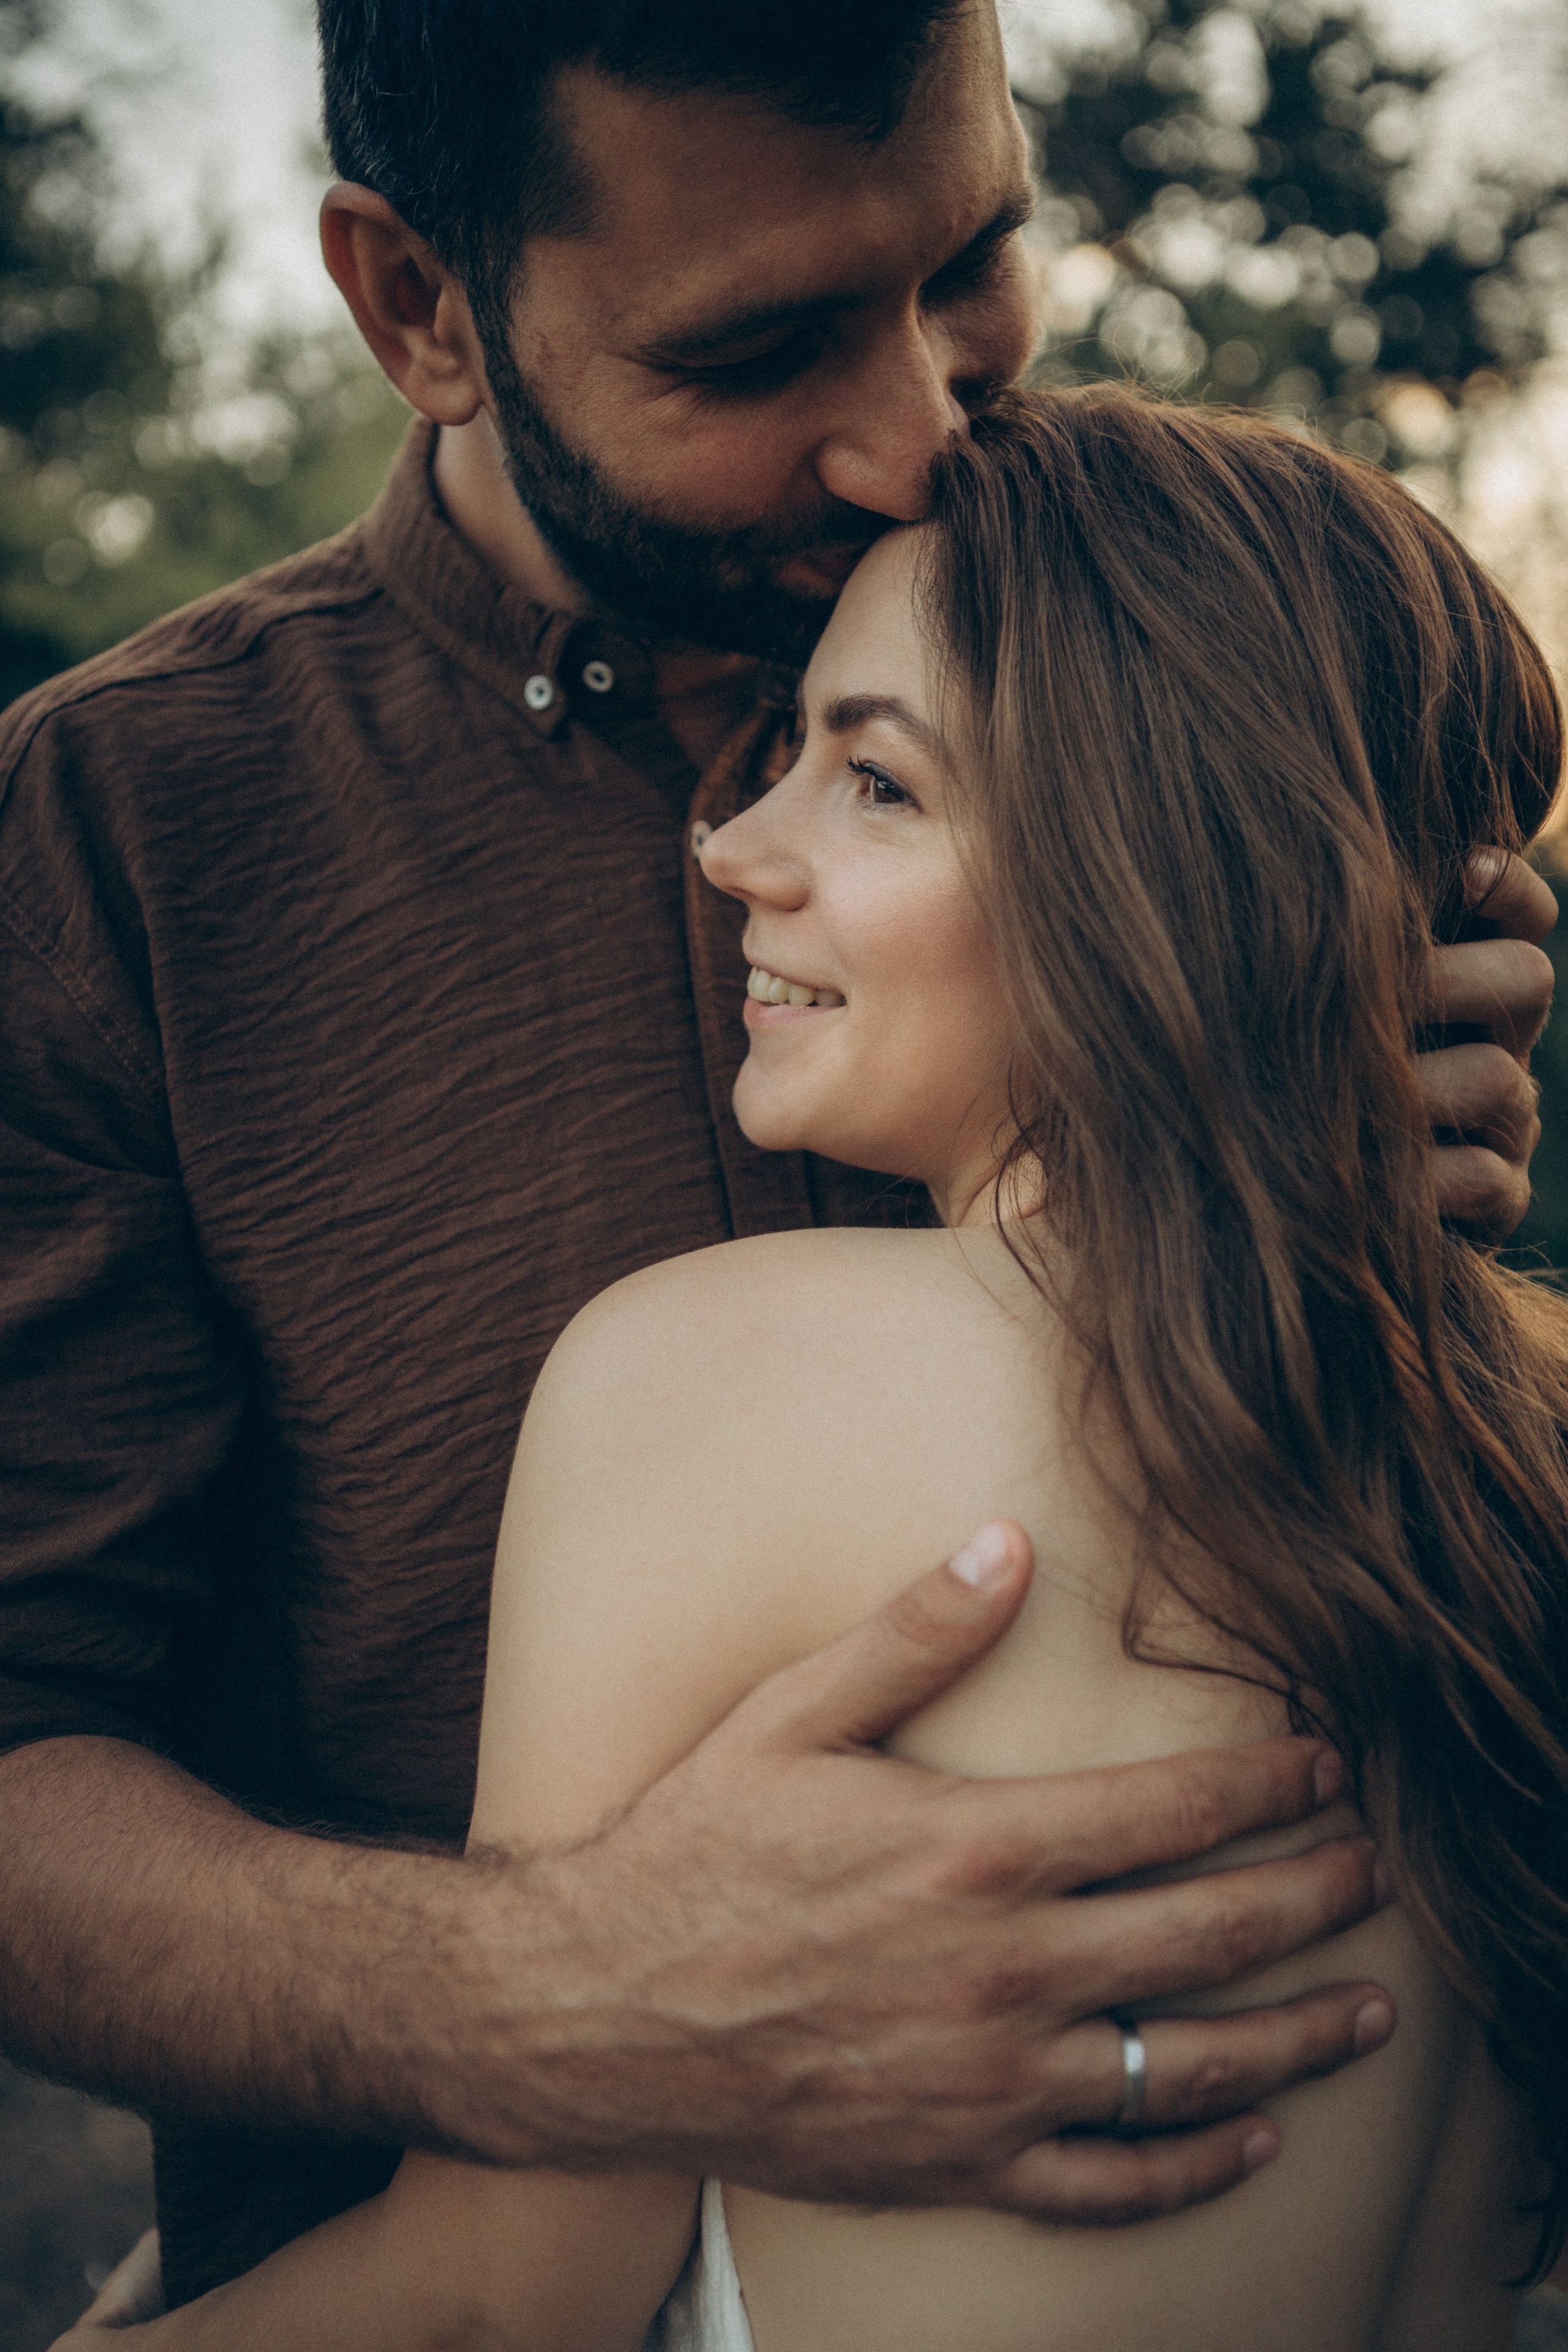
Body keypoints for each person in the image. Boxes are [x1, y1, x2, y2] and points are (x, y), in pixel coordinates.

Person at [0, 0, 1551, 2322]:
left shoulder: (1154, 629)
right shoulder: (116, 839)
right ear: (422, 308)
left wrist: (1296, 1108)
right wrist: (554, 2000)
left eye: (972, 261)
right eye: (756, 351)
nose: (922, 434)